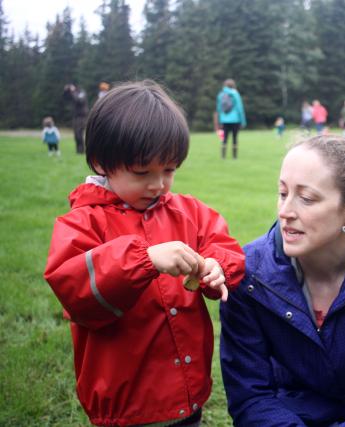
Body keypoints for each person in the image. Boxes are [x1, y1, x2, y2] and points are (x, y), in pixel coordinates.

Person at [44, 80, 246, 427]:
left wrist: (216, 266)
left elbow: (225, 247)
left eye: (169, 170)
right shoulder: (83, 222)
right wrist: (145, 259)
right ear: (100, 163)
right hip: (126, 406)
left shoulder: (188, 212)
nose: (158, 185)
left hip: (187, 396)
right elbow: (74, 288)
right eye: (142, 173)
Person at [220, 135, 345, 426]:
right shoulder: (249, 273)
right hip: (293, 412)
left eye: (306, 198)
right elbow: (250, 396)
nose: (285, 212)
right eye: (282, 193)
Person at [215, 78, 246, 159]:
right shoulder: (235, 94)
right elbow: (240, 108)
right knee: (234, 138)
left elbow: (219, 109)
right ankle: (234, 157)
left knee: (224, 138)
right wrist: (243, 121)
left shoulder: (221, 95)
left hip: (224, 120)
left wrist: (219, 120)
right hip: (235, 120)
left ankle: (223, 156)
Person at [63, 83, 89, 154]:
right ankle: (78, 151)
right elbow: (65, 98)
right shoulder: (73, 93)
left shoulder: (82, 92)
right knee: (76, 134)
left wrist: (73, 92)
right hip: (76, 116)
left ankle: (82, 150)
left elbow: (80, 101)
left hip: (82, 116)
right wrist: (66, 90)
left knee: (79, 133)